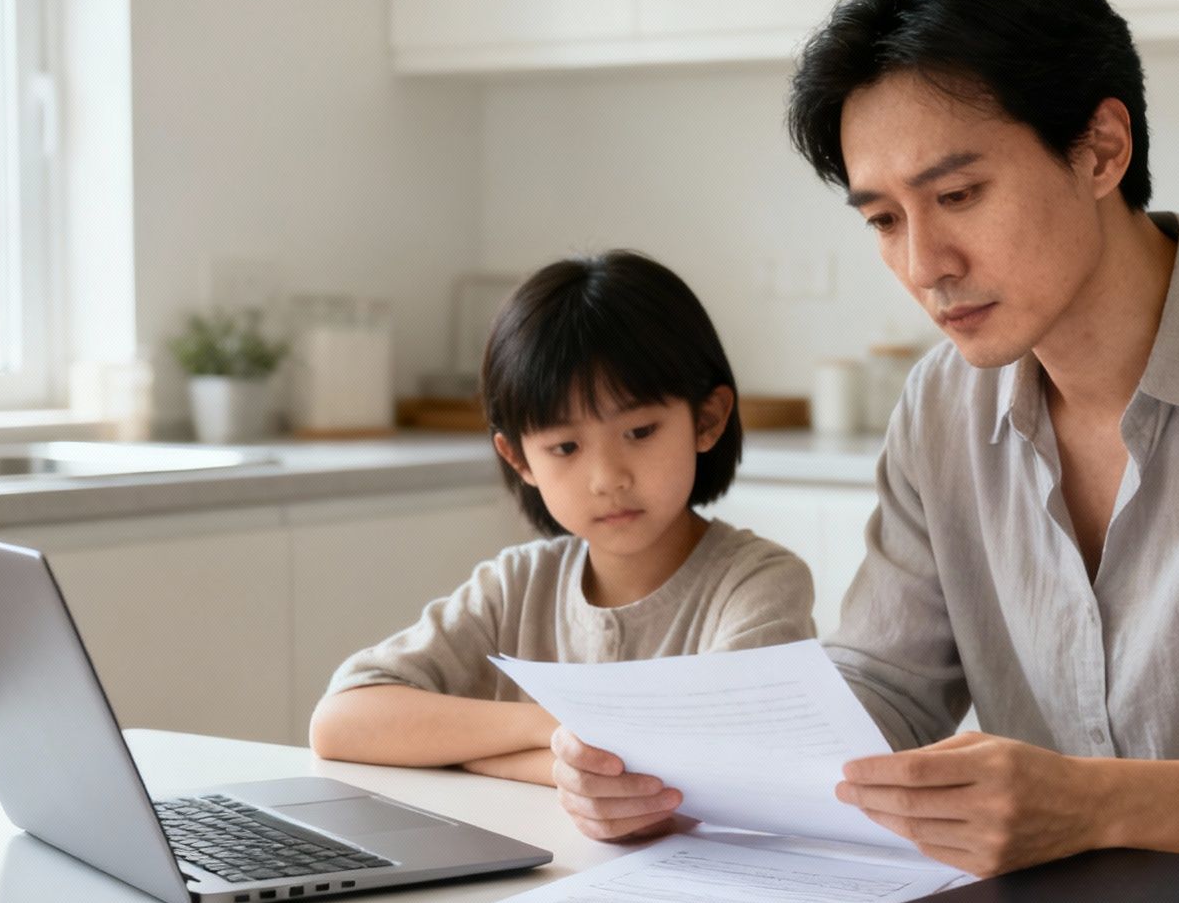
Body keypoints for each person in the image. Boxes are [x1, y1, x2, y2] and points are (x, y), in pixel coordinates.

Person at [549, 0, 1179, 872]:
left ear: (1100, 150)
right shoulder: (940, 402)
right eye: (883, 220)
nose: (923, 265)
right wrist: (664, 769)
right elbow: (884, 685)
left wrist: (1092, 807)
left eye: (959, 194)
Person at [310, 251, 814, 791]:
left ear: (707, 420)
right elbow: (341, 722)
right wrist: (556, 732)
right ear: (520, 459)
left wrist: (477, 756)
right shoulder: (516, 586)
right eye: (565, 446)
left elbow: (695, 774)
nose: (607, 478)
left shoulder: (759, 584)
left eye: (640, 432)